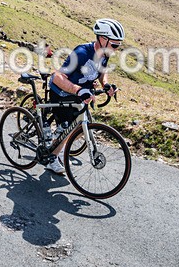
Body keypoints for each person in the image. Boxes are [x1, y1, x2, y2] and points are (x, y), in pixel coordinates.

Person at [44, 18, 124, 174]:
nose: (115, 49)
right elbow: (57, 77)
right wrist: (78, 90)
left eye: (118, 46)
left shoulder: (104, 54)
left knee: (80, 128)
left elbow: (101, 72)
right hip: (62, 93)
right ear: (102, 39)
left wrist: (105, 85)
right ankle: (52, 157)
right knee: (67, 128)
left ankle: (58, 143)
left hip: (80, 95)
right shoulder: (81, 53)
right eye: (114, 45)